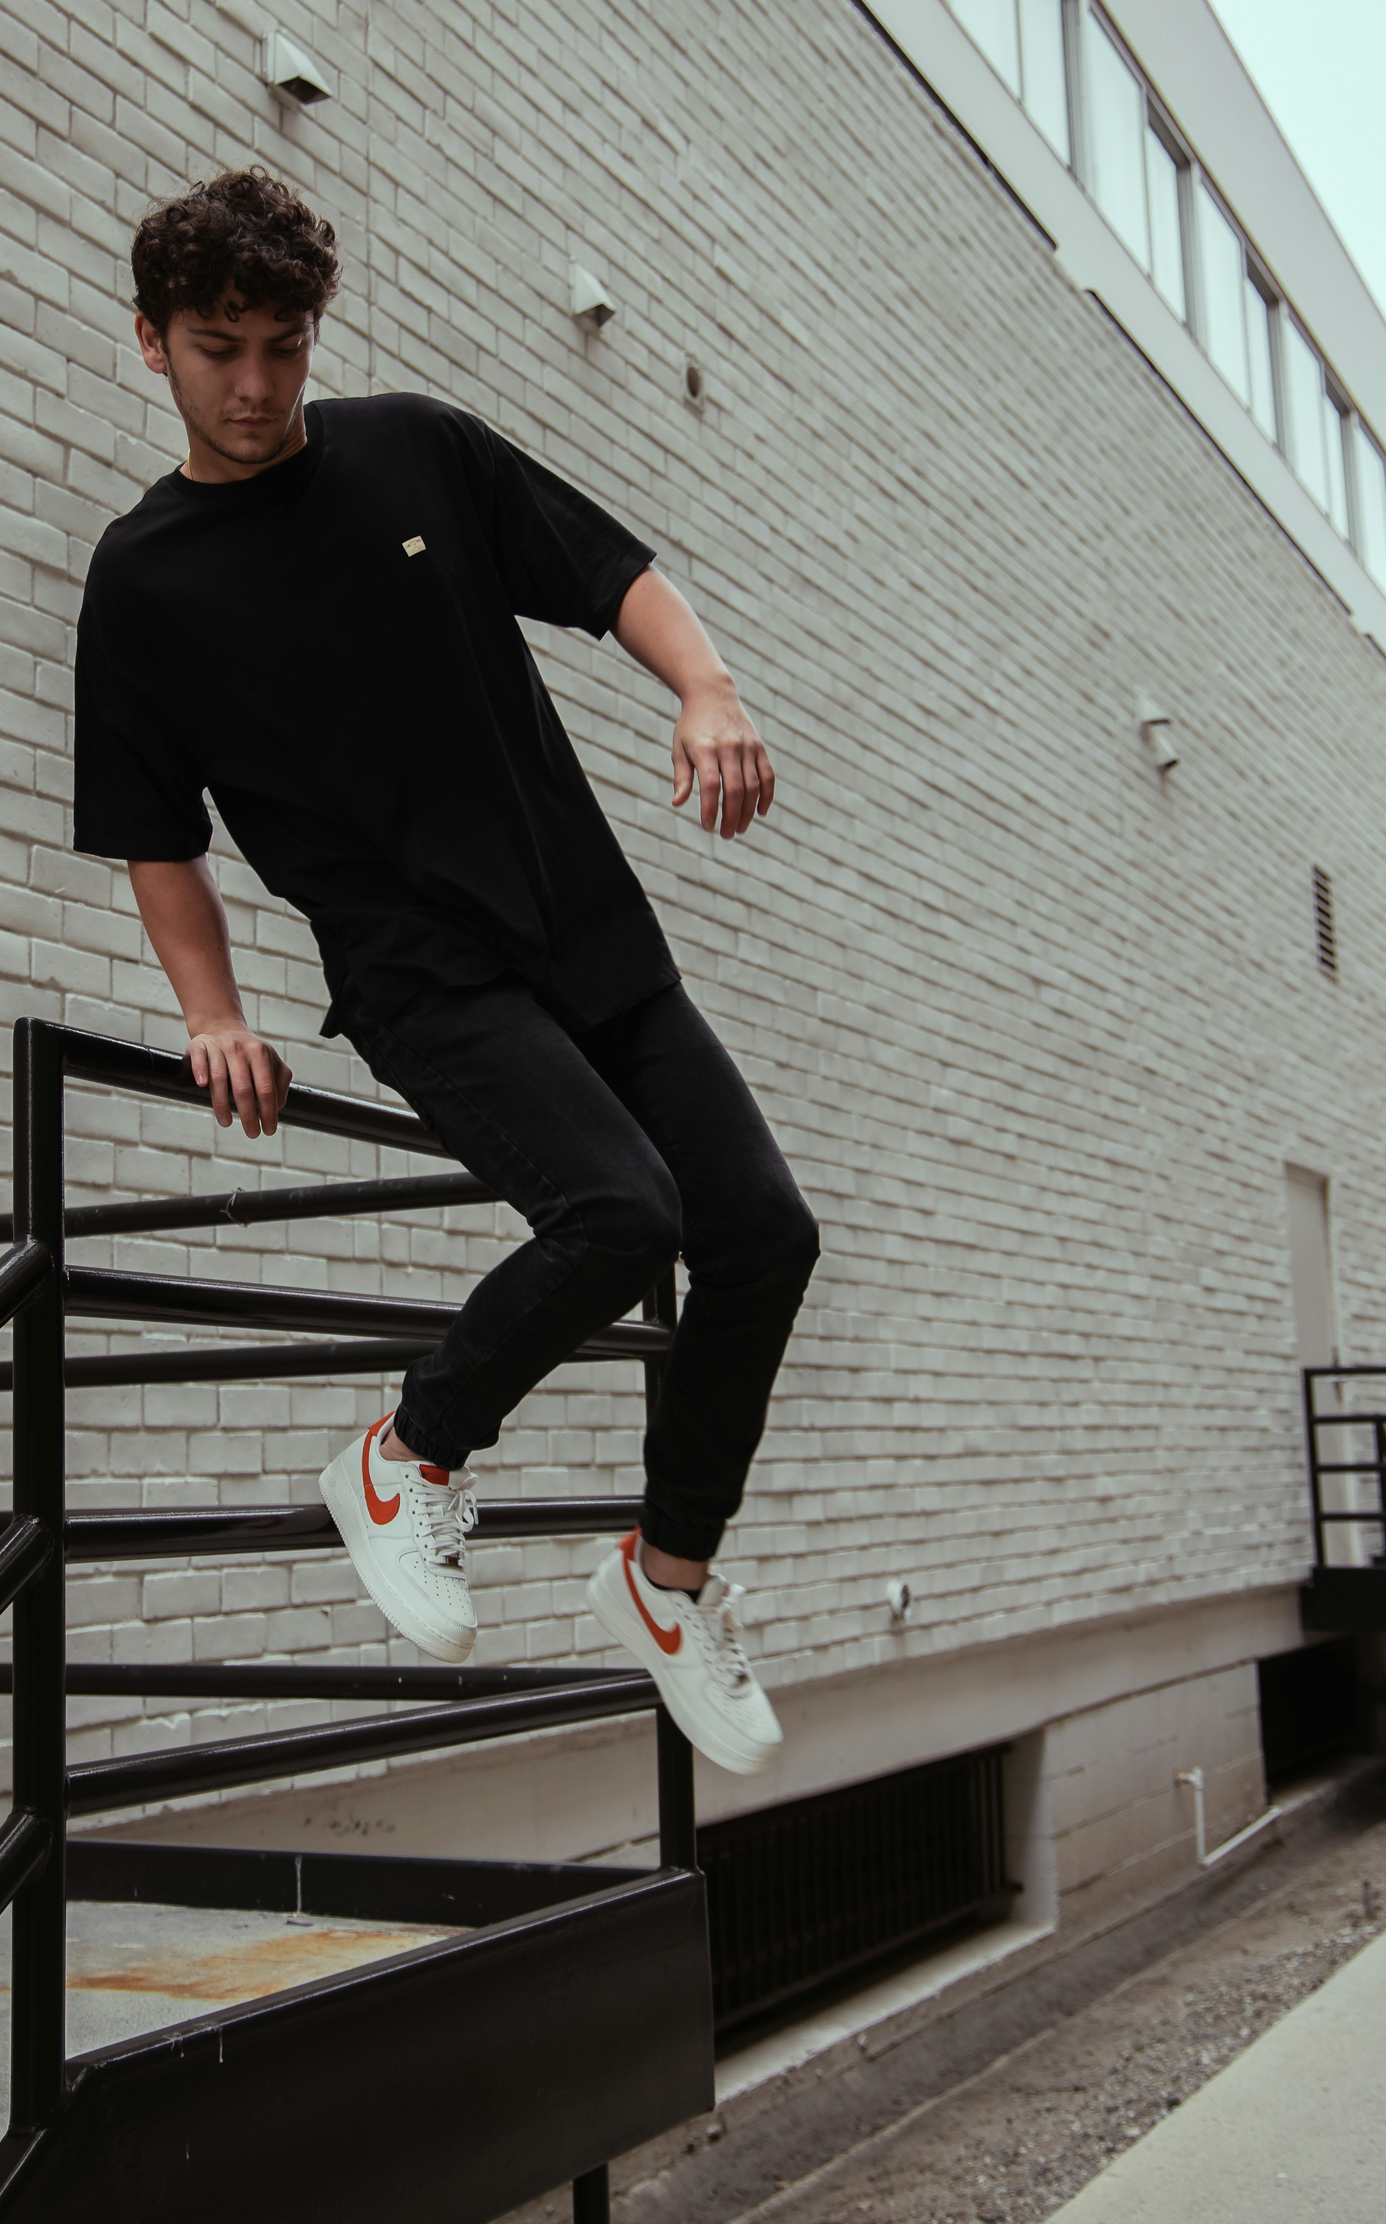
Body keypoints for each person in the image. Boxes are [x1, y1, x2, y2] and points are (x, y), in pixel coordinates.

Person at [73, 167, 819, 1775]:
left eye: (283, 346)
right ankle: (405, 1461)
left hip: (586, 925)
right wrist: (213, 1014)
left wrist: (705, 687)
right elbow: (153, 829)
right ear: (151, 344)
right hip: (419, 969)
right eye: (220, 350)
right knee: (620, 1212)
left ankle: (669, 1580)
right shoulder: (144, 580)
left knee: (760, 1232)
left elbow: (605, 563)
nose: (259, 386)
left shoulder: (414, 446)